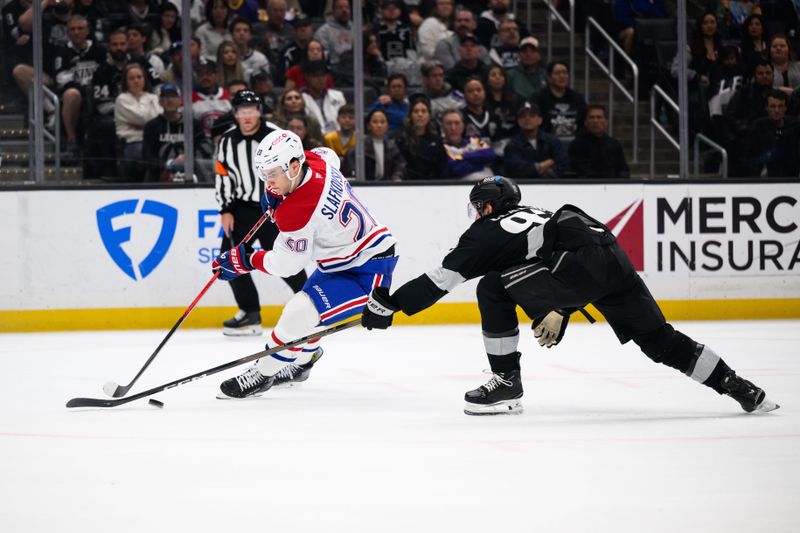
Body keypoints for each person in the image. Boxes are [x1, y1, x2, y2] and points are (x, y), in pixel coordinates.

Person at [361, 175, 780, 416]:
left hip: (581, 268)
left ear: (487, 207)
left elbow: (442, 278)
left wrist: (392, 305)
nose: (476, 215)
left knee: (492, 285)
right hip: (612, 258)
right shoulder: (537, 214)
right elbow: (587, 253)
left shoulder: (488, 231)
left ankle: (507, 382)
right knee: (660, 340)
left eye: (477, 208)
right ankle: (738, 386)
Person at [211, 129, 399, 398]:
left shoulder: (298, 211)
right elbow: (329, 155)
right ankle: (303, 363)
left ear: (294, 166)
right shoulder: (314, 160)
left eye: (272, 174)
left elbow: (287, 265)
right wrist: (283, 192)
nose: (268, 182)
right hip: (342, 261)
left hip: (370, 270)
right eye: (264, 175)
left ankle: (262, 373)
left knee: (299, 311)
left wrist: (246, 260)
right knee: (311, 312)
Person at [215, 91, 307, 336]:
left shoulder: (275, 136)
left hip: (274, 206)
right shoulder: (226, 141)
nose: (247, 117)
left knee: (288, 257)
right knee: (230, 258)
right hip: (242, 209)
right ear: (235, 114)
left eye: (251, 111)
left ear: (259, 111)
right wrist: (225, 209)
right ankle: (250, 314)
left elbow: (295, 168)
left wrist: (289, 200)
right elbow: (223, 176)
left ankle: (313, 303)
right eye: (242, 112)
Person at [143, 83, 212, 182]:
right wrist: (169, 163)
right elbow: (147, 157)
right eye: (165, 97)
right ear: (160, 102)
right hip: (161, 175)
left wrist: (188, 159)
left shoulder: (193, 124)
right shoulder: (151, 126)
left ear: (180, 100)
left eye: (173, 96)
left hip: (192, 172)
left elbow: (204, 149)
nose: (169, 100)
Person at [114, 63, 162, 180]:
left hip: (156, 141)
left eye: (139, 77)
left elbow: (161, 119)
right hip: (133, 142)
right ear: (126, 81)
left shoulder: (154, 97)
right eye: (132, 78)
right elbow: (143, 118)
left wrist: (144, 127)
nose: (136, 81)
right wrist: (146, 101)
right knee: (145, 155)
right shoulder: (122, 99)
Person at [504, 99, 568, 179]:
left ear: (540, 120)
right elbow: (517, 170)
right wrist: (542, 166)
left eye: (532, 115)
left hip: (552, 186)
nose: (527, 119)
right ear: (518, 121)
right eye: (523, 116)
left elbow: (563, 165)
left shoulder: (552, 141)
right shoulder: (512, 145)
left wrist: (538, 172)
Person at [743, 90, 799, 177]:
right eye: (773, 106)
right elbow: (750, 157)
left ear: (785, 108)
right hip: (764, 178)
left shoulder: (794, 126)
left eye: (780, 106)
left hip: (792, 177)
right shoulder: (758, 127)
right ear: (767, 108)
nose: (777, 110)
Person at [341, 108, 406, 181]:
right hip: (365, 187)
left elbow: (399, 167)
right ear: (368, 125)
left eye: (382, 122)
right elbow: (350, 171)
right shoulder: (358, 149)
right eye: (375, 122)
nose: (379, 125)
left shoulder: (393, 147)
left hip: (388, 187)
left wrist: (396, 177)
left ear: (387, 125)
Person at [568, 105, 630, 179]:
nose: (595, 121)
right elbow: (581, 171)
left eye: (599, 117)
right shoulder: (577, 145)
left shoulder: (614, 144)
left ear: (606, 122)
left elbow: (623, 170)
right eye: (591, 117)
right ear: (585, 122)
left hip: (613, 186)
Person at [395, 96, 449, 180]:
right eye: (416, 111)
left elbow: (442, 168)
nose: (420, 115)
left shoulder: (436, 140)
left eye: (424, 111)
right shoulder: (402, 140)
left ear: (429, 116)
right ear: (410, 115)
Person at [537, 61, 587, 144]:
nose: (562, 76)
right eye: (557, 73)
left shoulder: (578, 97)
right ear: (549, 78)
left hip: (575, 143)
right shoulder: (539, 97)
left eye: (565, 73)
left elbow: (583, 122)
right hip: (547, 143)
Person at [442, 109, 497, 180]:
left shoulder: (475, 140)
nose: (453, 128)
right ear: (442, 127)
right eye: (449, 123)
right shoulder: (442, 148)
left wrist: (461, 156)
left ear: (462, 126)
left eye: (457, 123)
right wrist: (482, 163)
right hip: (464, 187)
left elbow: (490, 154)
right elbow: (457, 169)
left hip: (491, 183)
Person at [433, 6, 490, 70]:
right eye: (459, 21)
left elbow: (487, 72)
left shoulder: (481, 49)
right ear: (454, 24)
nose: (462, 23)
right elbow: (450, 70)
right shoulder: (444, 44)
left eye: (467, 20)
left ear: (474, 25)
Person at [300, 60, 346, 134]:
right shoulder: (300, 99)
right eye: (315, 76)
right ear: (307, 77)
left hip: (338, 139)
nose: (320, 79)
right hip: (315, 139)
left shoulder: (338, 96)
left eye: (323, 75)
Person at [314, 0, 353, 68]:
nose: (344, 10)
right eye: (340, 8)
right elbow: (323, 58)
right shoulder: (324, 32)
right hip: (335, 71)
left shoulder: (355, 29)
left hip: (355, 69)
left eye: (347, 7)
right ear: (333, 11)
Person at [505, 36, 547, 100]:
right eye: (524, 51)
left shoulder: (546, 75)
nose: (528, 54)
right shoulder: (510, 75)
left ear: (539, 55)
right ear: (519, 55)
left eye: (532, 51)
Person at [230, 17, 271, 81]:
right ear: (232, 35)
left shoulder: (260, 58)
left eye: (245, 31)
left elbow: (266, 82)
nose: (242, 33)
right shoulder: (226, 58)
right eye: (238, 30)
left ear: (250, 36)